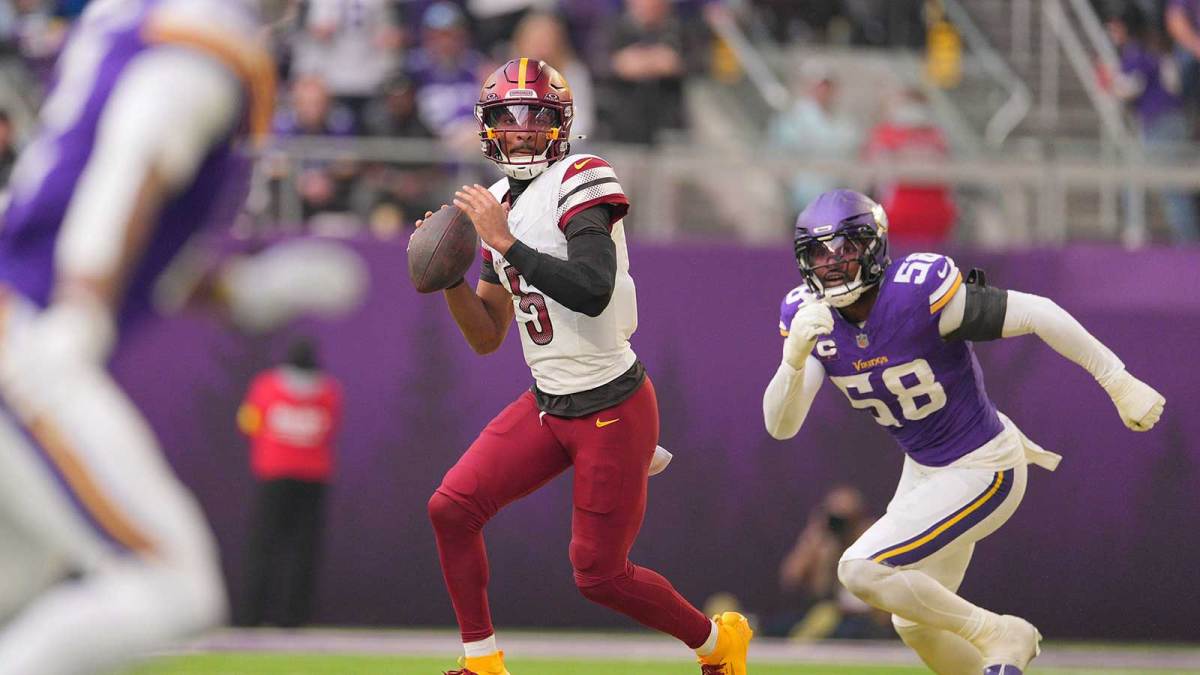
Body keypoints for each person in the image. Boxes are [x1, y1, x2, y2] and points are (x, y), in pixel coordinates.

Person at [0, 1, 362, 672]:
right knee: (169, 581)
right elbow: (131, 164)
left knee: (15, 598)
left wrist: (248, 292)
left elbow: (120, 220)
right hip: (23, 334)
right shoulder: (205, 38)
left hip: (23, 311)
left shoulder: (131, 18)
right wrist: (82, 309)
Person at [419, 58, 751, 675]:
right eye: (507, 119)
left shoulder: (582, 176)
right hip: (548, 403)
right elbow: (489, 336)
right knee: (451, 508)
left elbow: (594, 286)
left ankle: (718, 643)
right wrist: (449, 282)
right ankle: (481, 662)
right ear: (488, 128)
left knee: (599, 575)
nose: (520, 131)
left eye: (535, 117)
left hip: (611, 406)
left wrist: (506, 241)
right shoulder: (495, 200)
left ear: (561, 124)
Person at [762, 189, 1165, 675]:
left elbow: (1037, 312)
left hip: (984, 464)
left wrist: (1118, 380)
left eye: (846, 248)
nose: (832, 264)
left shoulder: (915, 292)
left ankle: (1000, 634)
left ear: (873, 247)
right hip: (926, 469)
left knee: (859, 568)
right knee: (914, 622)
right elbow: (781, 427)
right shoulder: (809, 319)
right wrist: (792, 360)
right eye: (819, 253)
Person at [236, 337, 342, 628]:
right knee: (303, 549)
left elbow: (248, 423)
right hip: (312, 478)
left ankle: (250, 616)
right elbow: (330, 426)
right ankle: (294, 619)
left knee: (264, 545)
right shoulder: (329, 391)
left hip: (274, 475)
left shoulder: (266, 386)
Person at [771, 485, 889, 640]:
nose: (841, 526)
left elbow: (882, 607)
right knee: (780, 627)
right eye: (835, 519)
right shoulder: (821, 544)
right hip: (821, 615)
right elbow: (790, 579)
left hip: (859, 622)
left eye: (847, 520)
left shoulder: (871, 545)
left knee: (843, 627)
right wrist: (811, 542)